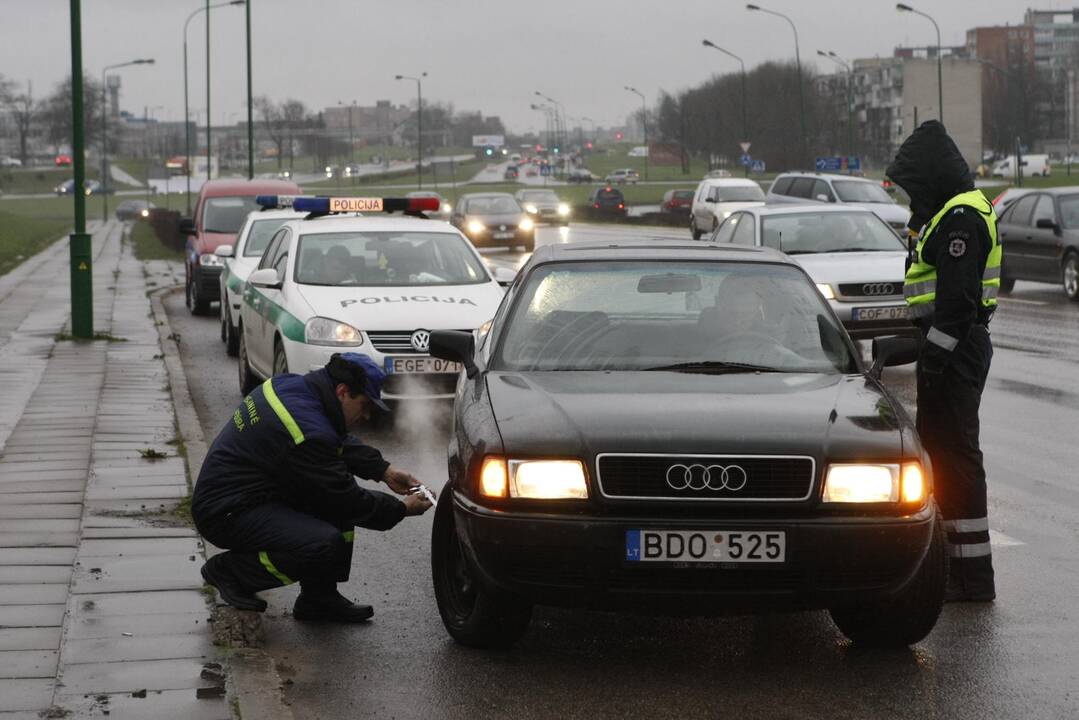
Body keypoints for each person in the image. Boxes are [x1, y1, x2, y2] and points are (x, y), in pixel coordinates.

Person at [192, 352, 433, 622]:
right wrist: (401, 509)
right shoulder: (305, 428)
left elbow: (332, 440)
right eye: (364, 404)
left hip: (251, 494)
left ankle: (319, 599)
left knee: (330, 499)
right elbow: (345, 497)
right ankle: (231, 572)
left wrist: (382, 470)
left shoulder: (292, 386)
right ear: (342, 392)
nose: (366, 415)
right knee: (323, 541)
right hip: (225, 512)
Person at [886, 120, 1001, 602]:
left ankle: (971, 578)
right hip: (952, 348)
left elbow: (957, 305)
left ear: (932, 176)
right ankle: (953, 567)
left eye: (915, 186)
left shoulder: (961, 220)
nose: (912, 196)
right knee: (945, 457)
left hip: (956, 350)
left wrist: (932, 358)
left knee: (955, 459)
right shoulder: (949, 212)